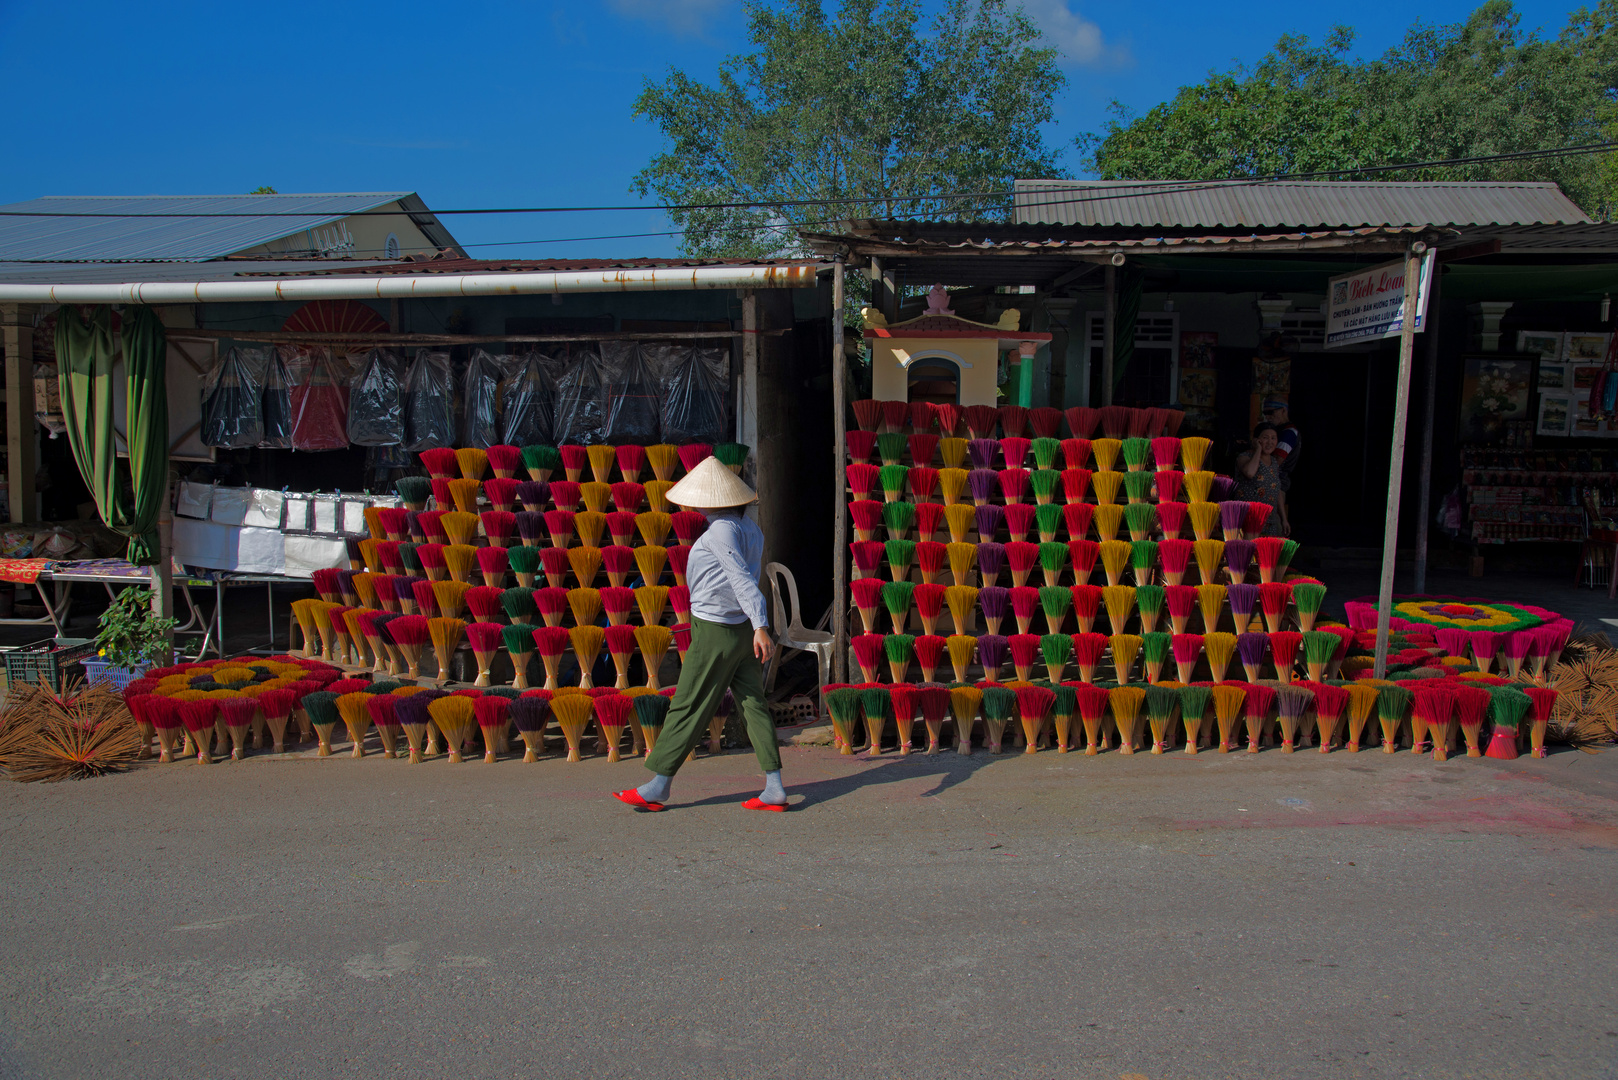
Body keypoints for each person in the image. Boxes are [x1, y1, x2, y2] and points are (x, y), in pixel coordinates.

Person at [613, 456, 785, 813]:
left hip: (718, 631)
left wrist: (761, 625)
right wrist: (754, 626)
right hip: (739, 632)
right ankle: (774, 787)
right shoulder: (750, 528)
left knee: (688, 703)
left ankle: (659, 784)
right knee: (753, 705)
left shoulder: (722, 529)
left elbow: (740, 578)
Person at [1234, 422, 1289, 536]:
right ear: (1256, 440)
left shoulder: (1274, 462)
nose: (1270, 442)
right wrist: (1258, 449)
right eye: (1265, 438)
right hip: (1248, 519)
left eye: (1273, 438)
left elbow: (1276, 491)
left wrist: (1284, 519)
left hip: (1269, 521)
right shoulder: (1245, 457)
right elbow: (1249, 472)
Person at [1262, 398, 1301, 490]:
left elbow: (1276, 461)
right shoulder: (1281, 430)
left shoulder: (1289, 432)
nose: (1267, 417)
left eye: (1271, 412)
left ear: (1283, 410)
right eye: (1265, 413)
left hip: (1279, 483)